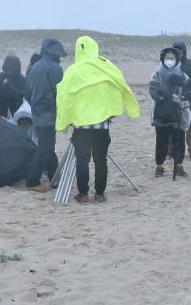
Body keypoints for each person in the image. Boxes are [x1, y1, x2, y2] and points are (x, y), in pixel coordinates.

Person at [55, 36, 139, 203]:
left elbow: (64, 97)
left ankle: (83, 194)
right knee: (101, 160)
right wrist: (114, 111)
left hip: (81, 127)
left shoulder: (73, 70)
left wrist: (65, 120)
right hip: (102, 127)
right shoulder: (106, 67)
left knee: (82, 161)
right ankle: (100, 194)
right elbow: (117, 89)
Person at [25, 39, 66, 192]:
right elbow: (60, 93)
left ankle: (54, 178)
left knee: (48, 145)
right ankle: (32, 181)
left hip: (37, 111)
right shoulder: (55, 68)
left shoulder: (34, 66)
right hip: (49, 112)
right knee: (45, 146)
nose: (60, 58)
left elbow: (28, 91)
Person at [150, 47, 190, 179]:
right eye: (167, 58)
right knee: (161, 141)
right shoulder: (157, 74)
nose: (169, 60)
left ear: (177, 59)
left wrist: (185, 102)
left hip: (178, 114)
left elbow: (189, 94)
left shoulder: (182, 75)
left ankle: (179, 166)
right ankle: (159, 166)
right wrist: (171, 98)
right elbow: (154, 91)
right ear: (162, 59)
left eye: (172, 58)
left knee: (179, 141)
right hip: (161, 113)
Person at [0, 55, 27, 119]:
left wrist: (13, 88)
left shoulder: (22, 80)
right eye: (8, 69)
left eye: (13, 69)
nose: (10, 72)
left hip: (16, 112)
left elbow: (26, 96)